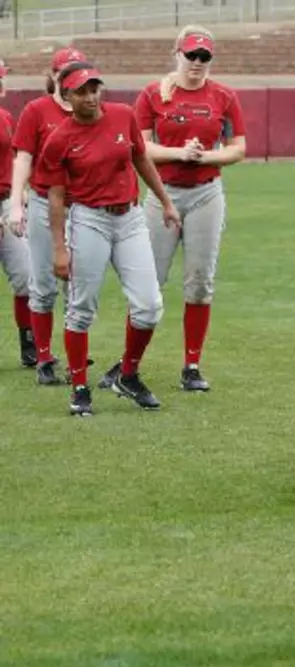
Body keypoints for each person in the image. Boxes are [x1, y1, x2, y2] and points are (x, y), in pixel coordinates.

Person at [99, 25, 246, 393]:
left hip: (206, 193)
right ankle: (128, 364)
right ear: (177, 53)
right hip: (161, 192)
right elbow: (140, 147)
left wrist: (204, 156)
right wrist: (181, 153)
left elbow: (238, 147)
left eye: (204, 57)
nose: (197, 63)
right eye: (191, 55)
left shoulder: (224, 96)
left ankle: (192, 365)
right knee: (148, 281)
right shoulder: (153, 94)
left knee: (199, 282)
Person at [40, 61, 181, 416]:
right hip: (88, 221)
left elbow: (141, 159)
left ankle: (128, 375)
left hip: (130, 218)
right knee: (81, 308)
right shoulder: (60, 139)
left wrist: (165, 202)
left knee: (149, 306)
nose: (91, 96)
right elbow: (55, 197)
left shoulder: (122, 116)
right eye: (82, 91)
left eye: (95, 88)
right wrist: (59, 249)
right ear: (67, 95)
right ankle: (79, 388)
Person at [9, 46, 87, 384]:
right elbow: (23, 158)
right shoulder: (37, 110)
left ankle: (74, 360)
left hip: (82, 206)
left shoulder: (88, 109)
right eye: (64, 72)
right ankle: (43, 358)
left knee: (77, 286)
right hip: (43, 203)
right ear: (54, 76)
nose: (70, 78)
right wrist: (16, 203)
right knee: (42, 284)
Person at [0, 58, 35, 369]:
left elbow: (13, 158)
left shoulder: (6, 116)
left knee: (25, 275)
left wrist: (18, 193)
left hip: (5, 203)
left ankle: (30, 343)